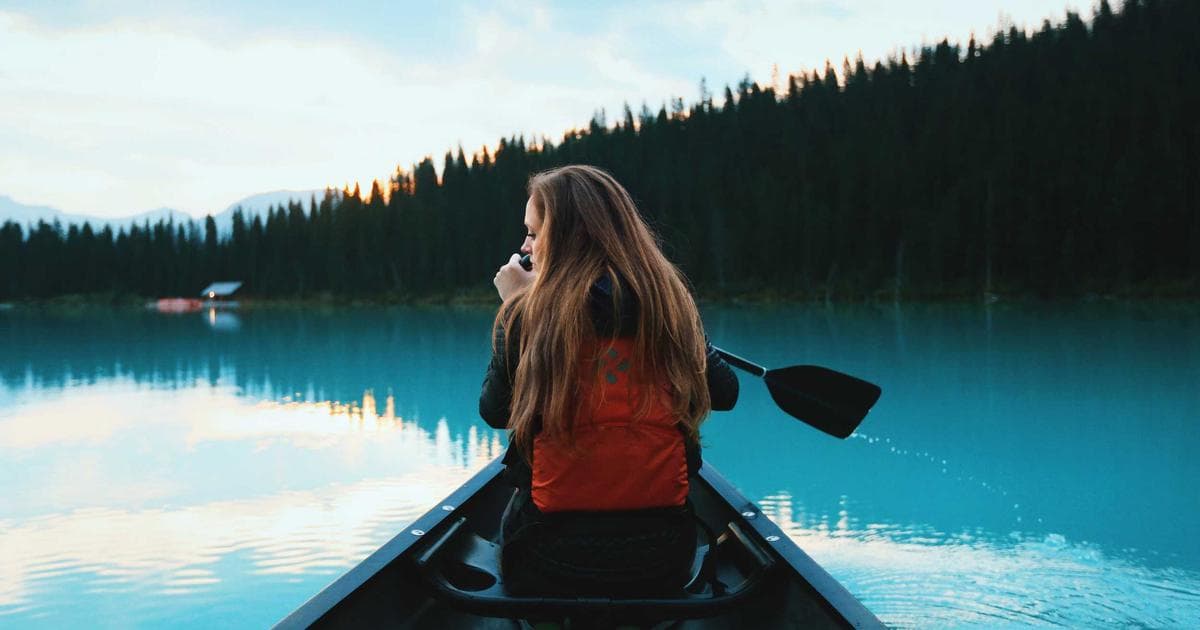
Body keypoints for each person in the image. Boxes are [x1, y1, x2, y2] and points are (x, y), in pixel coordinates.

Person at [479, 165, 738, 598]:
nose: (525, 247)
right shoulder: (667, 303)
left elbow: (496, 412)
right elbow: (725, 393)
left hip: (548, 557)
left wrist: (517, 308)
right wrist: (690, 332)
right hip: (662, 557)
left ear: (564, 238)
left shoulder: (529, 313)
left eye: (533, 233)